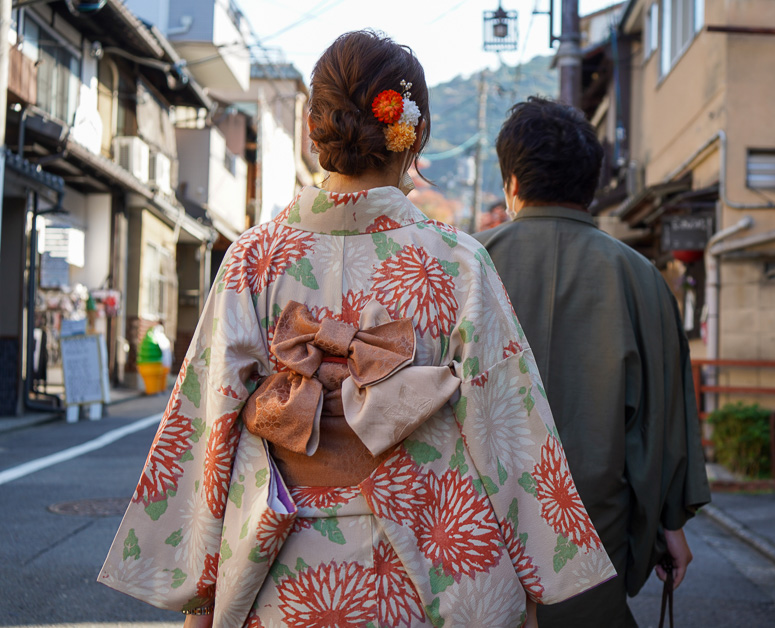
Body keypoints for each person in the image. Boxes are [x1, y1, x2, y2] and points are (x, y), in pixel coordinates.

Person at [99, 33, 615, 628]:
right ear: (412, 135)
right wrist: (535, 576)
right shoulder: (457, 262)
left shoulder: (254, 259)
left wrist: (200, 584)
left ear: (314, 127)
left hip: (277, 574)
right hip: (427, 569)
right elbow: (509, 427)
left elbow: (208, 421)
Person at [474, 97, 712, 628]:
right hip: (594, 543)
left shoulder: (462, 265)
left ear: (512, 182)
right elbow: (661, 420)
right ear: (592, 186)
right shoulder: (641, 279)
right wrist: (670, 523)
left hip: (476, 543)